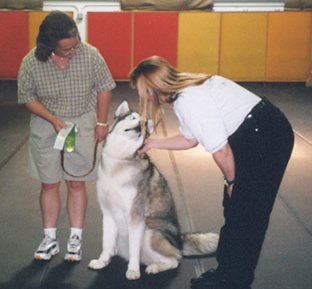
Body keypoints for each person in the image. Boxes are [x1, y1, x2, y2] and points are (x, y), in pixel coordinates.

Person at [130, 56, 294, 289]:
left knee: (247, 213)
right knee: (235, 209)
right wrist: (153, 144)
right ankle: (227, 272)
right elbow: (189, 139)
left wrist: (232, 182)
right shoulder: (187, 91)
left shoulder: (190, 100)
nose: (144, 97)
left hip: (266, 136)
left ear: (154, 88)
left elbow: (221, 151)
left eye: (143, 91)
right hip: (256, 132)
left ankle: (236, 281)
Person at [18, 11, 116, 262]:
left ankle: (75, 238)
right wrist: (52, 119)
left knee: (76, 182)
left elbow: (104, 87)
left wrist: (102, 122)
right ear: (49, 45)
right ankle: (50, 239)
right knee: (49, 183)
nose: (72, 51)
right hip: (46, 124)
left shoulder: (90, 54)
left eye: (74, 46)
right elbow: (27, 97)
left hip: (82, 123)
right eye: (65, 50)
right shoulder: (31, 61)